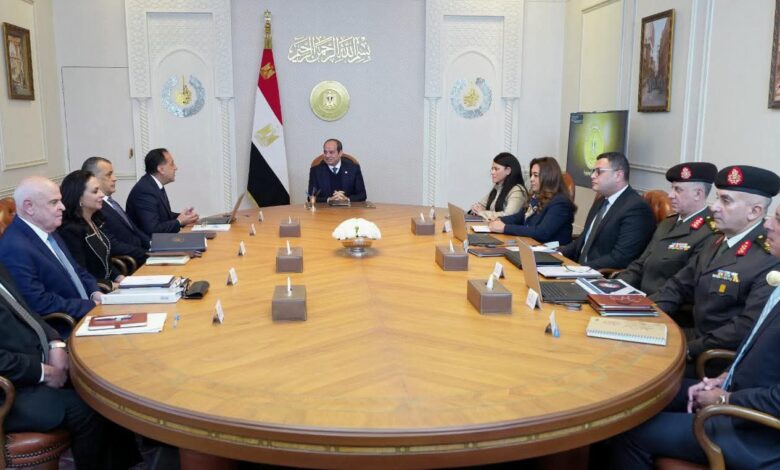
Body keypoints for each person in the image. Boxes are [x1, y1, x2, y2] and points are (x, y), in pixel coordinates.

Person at [611, 202, 780, 469]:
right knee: (629, 401)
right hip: (737, 395)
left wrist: (725, 398)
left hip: (756, 434)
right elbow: (756, 349)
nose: (768, 224)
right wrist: (724, 379)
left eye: (778, 219)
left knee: (629, 432)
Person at [0, 262, 142, 469]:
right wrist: (42, 373)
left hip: (31, 363)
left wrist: (54, 342)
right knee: (89, 408)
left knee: (105, 382)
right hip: (9, 392)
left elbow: (27, 311)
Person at [650, 165, 780, 366]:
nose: (714, 207)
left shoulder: (769, 256)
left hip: (714, 358)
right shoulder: (717, 240)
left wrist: (688, 349)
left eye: (725, 201)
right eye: (717, 198)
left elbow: (744, 327)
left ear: (754, 211)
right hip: (694, 336)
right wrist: (647, 311)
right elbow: (678, 285)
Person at [0, 176, 100, 320]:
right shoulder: (15, 247)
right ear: (29, 207)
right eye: (54, 202)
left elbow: (75, 269)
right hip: (67, 324)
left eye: (60, 200)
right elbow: (39, 302)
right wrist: (91, 306)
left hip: (87, 310)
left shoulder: (48, 228)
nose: (63, 207)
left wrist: (95, 292)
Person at [617, 162, 718, 295]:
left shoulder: (710, 232)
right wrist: (615, 287)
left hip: (664, 303)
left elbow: (684, 286)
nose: (670, 195)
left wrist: (646, 303)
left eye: (678, 190)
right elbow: (640, 263)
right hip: (638, 297)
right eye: (672, 188)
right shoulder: (668, 222)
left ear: (698, 194)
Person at [559, 152, 656, 270]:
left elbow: (620, 258)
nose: (592, 176)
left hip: (601, 275)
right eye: (593, 171)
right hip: (579, 269)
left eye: (599, 172)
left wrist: (577, 269)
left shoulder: (636, 208)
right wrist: (556, 253)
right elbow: (583, 240)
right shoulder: (601, 201)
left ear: (618, 175)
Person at [57, 170, 126, 289]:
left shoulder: (95, 220)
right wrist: (112, 285)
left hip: (109, 286)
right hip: (96, 291)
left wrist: (120, 278)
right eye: (95, 191)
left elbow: (106, 262)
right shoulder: (70, 230)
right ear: (79, 197)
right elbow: (81, 273)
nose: (102, 195)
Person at [487, 156, 574, 244]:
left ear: (548, 177)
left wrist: (505, 228)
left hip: (551, 250)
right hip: (531, 245)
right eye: (531, 175)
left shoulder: (560, 203)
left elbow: (542, 232)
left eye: (536, 175)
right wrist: (499, 220)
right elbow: (518, 218)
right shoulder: (536, 196)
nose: (531, 179)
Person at [82, 156, 149, 267]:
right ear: (93, 178)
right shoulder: (95, 208)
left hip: (142, 254)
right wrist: (147, 254)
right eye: (109, 175)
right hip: (131, 262)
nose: (114, 178)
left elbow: (134, 230)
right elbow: (112, 245)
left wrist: (153, 245)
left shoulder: (110, 202)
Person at [126, 148, 199, 236]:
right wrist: (179, 221)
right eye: (172, 164)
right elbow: (153, 230)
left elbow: (163, 216)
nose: (176, 168)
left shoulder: (153, 184)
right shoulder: (144, 191)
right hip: (148, 243)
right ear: (161, 169)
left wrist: (185, 218)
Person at [470, 152, 528, 220]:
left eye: (496, 169)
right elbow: (482, 205)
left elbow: (508, 216)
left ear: (508, 170)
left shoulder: (518, 191)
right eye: (492, 169)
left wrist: (482, 213)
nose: (492, 172)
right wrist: (475, 209)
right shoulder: (498, 186)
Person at [307, 139, 367, 203]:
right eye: (325, 152)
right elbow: (311, 197)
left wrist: (346, 199)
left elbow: (362, 195)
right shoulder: (315, 171)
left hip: (349, 208)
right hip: (325, 208)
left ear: (340, 153)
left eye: (331, 152)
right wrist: (329, 199)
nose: (327, 155)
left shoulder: (353, 169)